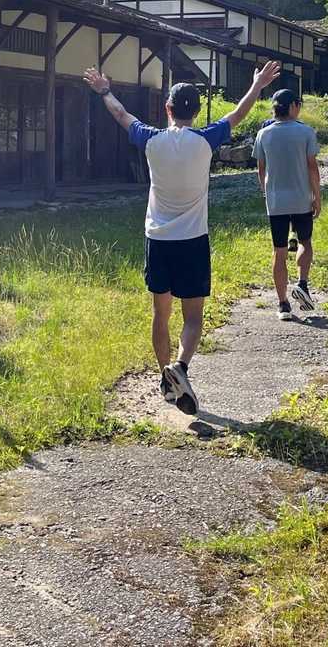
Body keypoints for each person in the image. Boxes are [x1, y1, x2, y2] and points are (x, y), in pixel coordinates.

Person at [83, 59, 281, 415]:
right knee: (193, 317)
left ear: (168, 108)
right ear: (197, 111)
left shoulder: (151, 140)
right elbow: (238, 114)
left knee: (161, 314)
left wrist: (104, 90)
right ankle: (181, 367)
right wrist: (257, 85)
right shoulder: (205, 140)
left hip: (158, 240)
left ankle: (166, 377)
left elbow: (121, 115)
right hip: (193, 240)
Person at [254, 87, 321, 321]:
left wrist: (267, 193)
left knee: (279, 251)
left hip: (276, 202)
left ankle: (283, 304)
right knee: (305, 242)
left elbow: (261, 170)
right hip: (301, 199)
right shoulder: (306, 132)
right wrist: (317, 196)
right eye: (298, 105)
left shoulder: (264, 134)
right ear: (293, 106)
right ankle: (302, 284)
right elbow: (312, 167)